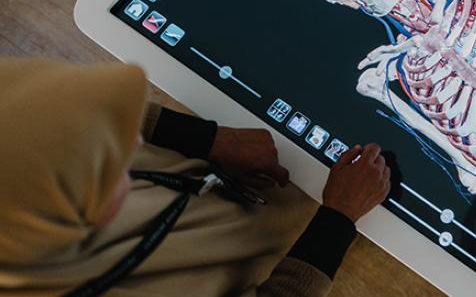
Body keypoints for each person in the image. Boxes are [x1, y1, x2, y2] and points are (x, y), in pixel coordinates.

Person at [0, 58, 391, 295]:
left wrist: (204, 138)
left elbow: (84, 109)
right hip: (278, 241)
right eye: (104, 162)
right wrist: (337, 220)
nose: (134, 145)